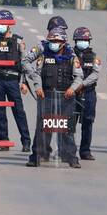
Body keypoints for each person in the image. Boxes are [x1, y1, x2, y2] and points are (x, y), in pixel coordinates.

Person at [23, 26, 84, 168]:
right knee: (43, 127)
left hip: (66, 97)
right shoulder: (44, 55)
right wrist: (37, 87)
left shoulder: (71, 57)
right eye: (51, 40)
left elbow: (79, 77)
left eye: (56, 41)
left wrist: (72, 88)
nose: (53, 43)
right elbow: (35, 72)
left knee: (66, 129)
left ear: (63, 42)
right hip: (46, 96)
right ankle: (37, 156)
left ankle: (71, 158)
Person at [0, 10, 30, 153]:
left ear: (9, 25)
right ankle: (3, 141)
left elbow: (24, 63)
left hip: (13, 79)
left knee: (19, 111)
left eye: (3, 23)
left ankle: (26, 141)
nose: (0, 26)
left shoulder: (18, 41)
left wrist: (24, 82)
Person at [70, 26, 99, 160]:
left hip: (88, 92)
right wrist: (75, 87)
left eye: (85, 39)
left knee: (88, 121)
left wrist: (83, 84)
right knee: (70, 123)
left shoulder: (93, 56)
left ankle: (85, 151)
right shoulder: (69, 55)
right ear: (75, 41)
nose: (83, 42)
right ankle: (69, 150)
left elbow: (95, 74)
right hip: (72, 93)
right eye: (80, 39)